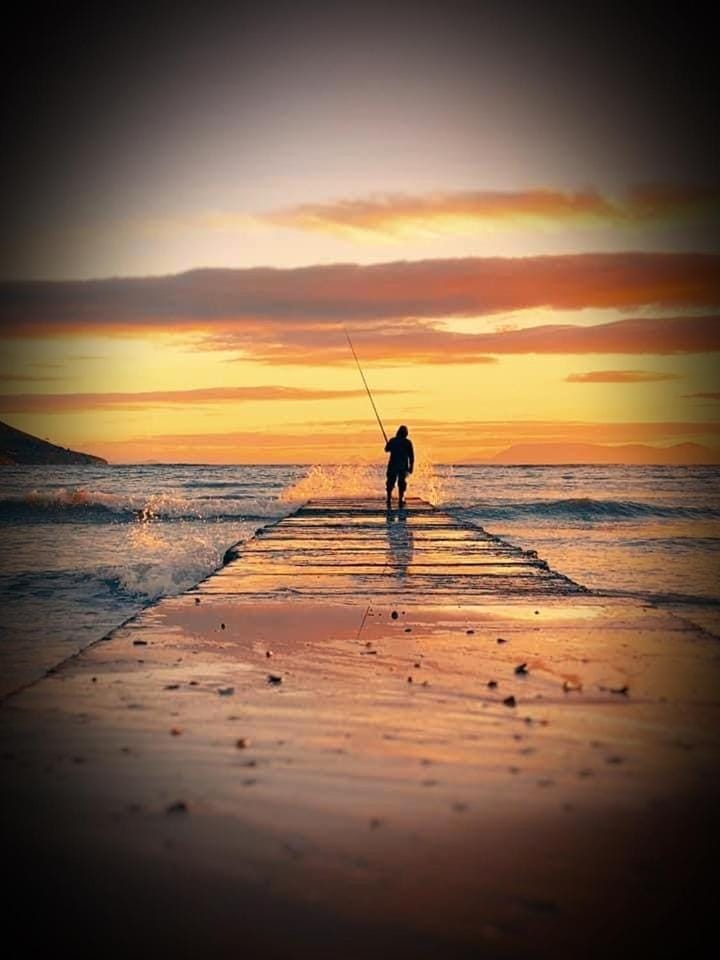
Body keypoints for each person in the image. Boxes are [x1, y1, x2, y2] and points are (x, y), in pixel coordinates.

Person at [385, 425, 414, 509]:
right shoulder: (408, 442)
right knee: (401, 483)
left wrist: (388, 444)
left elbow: (386, 449)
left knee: (390, 482)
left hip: (393, 465)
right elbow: (411, 456)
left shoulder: (392, 440)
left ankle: (389, 498)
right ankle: (401, 498)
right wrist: (411, 466)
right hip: (403, 466)